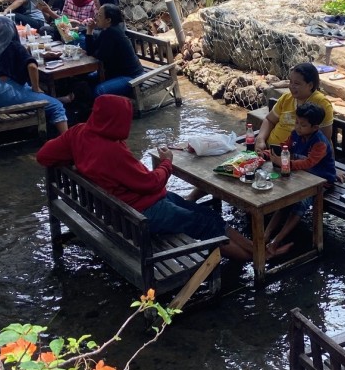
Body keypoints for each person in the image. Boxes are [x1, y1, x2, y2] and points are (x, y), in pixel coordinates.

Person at [35, 94, 252, 261]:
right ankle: (254, 259)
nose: (128, 125)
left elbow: (44, 155)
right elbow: (150, 183)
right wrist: (167, 162)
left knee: (203, 213)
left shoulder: (79, 133)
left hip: (115, 210)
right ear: (115, 121)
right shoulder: (112, 152)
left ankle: (258, 251)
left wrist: (77, 162)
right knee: (204, 223)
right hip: (138, 216)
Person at [264, 103, 336, 257]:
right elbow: (285, 147)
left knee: (299, 204)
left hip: (321, 181)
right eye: (297, 122)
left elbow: (308, 163)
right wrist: (269, 153)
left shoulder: (320, 143)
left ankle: (276, 241)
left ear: (315, 127)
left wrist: (284, 163)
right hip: (302, 176)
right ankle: (265, 236)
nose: (298, 127)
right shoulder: (296, 135)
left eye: (303, 125)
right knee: (283, 202)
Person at [0, 15, 69, 134]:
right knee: (57, 106)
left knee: (31, 92)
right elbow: (32, 67)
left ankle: (51, 100)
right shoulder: (15, 46)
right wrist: (36, 87)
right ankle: (68, 140)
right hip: (7, 92)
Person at [255, 62, 334, 156]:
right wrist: (260, 139)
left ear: (310, 85)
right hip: (269, 151)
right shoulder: (286, 98)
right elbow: (269, 120)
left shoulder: (322, 104)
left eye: (296, 83)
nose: (291, 86)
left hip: (297, 157)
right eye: (290, 82)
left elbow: (324, 139)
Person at [88, 3, 145, 98]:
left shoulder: (112, 33)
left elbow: (101, 56)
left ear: (108, 20)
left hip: (132, 77)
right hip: (116, 73)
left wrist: (95, 52)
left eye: (100, 15)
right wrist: (89, 30)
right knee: (88, 78)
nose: (96, 17)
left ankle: (106, 111)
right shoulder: (106, 31)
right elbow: (92, 51)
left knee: (99, 91)